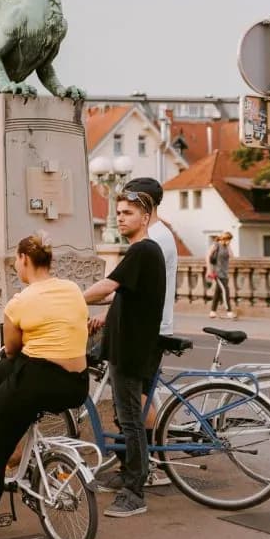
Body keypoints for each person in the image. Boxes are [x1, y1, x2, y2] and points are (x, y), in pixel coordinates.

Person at [0, 234, 90, 539]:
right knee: (3, 376)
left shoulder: (20, 302)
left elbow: (12, 349)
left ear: (25, 260)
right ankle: (20, 440)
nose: (16, 265)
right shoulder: (73, 290)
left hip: (38, 382)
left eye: (16, 259)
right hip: (77, 385)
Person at [83, 191, 166, 518]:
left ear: (145, 217)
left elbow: (108, 285)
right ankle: (125, 475)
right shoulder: (142, 252)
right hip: (124, 344)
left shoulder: (143, 250)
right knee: (126, 415)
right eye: (118, 212)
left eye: (128, 212)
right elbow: (122, 294)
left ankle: (135, 491)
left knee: (130, 420)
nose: (120, 217)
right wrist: (104, 315)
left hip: (130, 350)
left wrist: (70, 299)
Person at [121, 177, 176, 487]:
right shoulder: (156, 234)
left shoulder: (154, 238)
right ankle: (146, 463)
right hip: (150, 324)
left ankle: (151, 465)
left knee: (139, 400)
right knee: (141, 396)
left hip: (150, 328)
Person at [207, 232, 236, 319]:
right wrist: (209, 270)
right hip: (216, 272)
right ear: (224, 239)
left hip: (225, 273)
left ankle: (212, 312)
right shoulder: (216, 245)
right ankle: (229, 311)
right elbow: (208, 256)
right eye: (228, 240)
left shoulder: (227, 247)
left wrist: (228, 246)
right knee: (225, 290)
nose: (230, 242)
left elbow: (232, 256)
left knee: (218, 292)